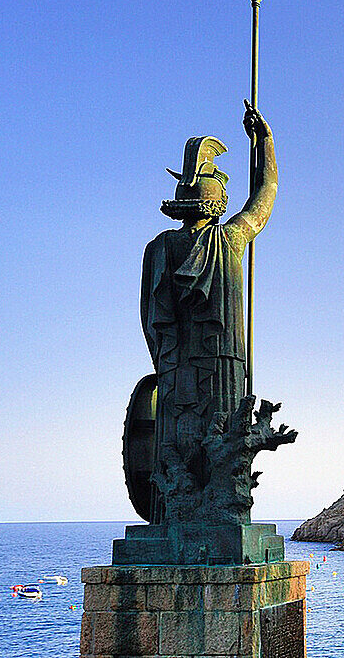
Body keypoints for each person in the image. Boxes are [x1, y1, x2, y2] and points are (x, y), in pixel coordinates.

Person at [141, 100, 278, 524]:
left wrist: (163, 359)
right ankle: (221, 517)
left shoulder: (158, 247)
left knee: (180, 441)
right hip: (220, 359)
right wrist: (265, 144)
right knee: (221, 438)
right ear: (218, 203)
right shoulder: (232, 237)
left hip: (174, 362)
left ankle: (175, 518)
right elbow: (264, 197)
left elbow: (149, 316)